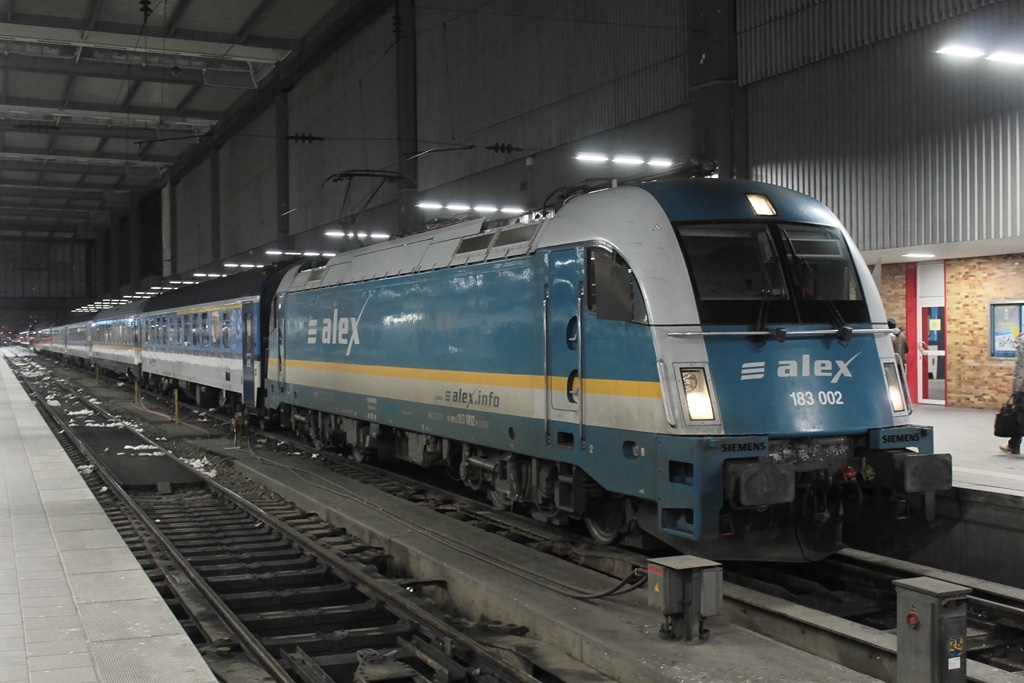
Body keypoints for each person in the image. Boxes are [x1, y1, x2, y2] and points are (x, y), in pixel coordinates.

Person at [1000, 332, 1024, 454]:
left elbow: (1020, 366)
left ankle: (1014, 445)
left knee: (1018, 414)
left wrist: (1017, 387)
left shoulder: (1022, 340)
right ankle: (1013, 443)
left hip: (1023, 387)